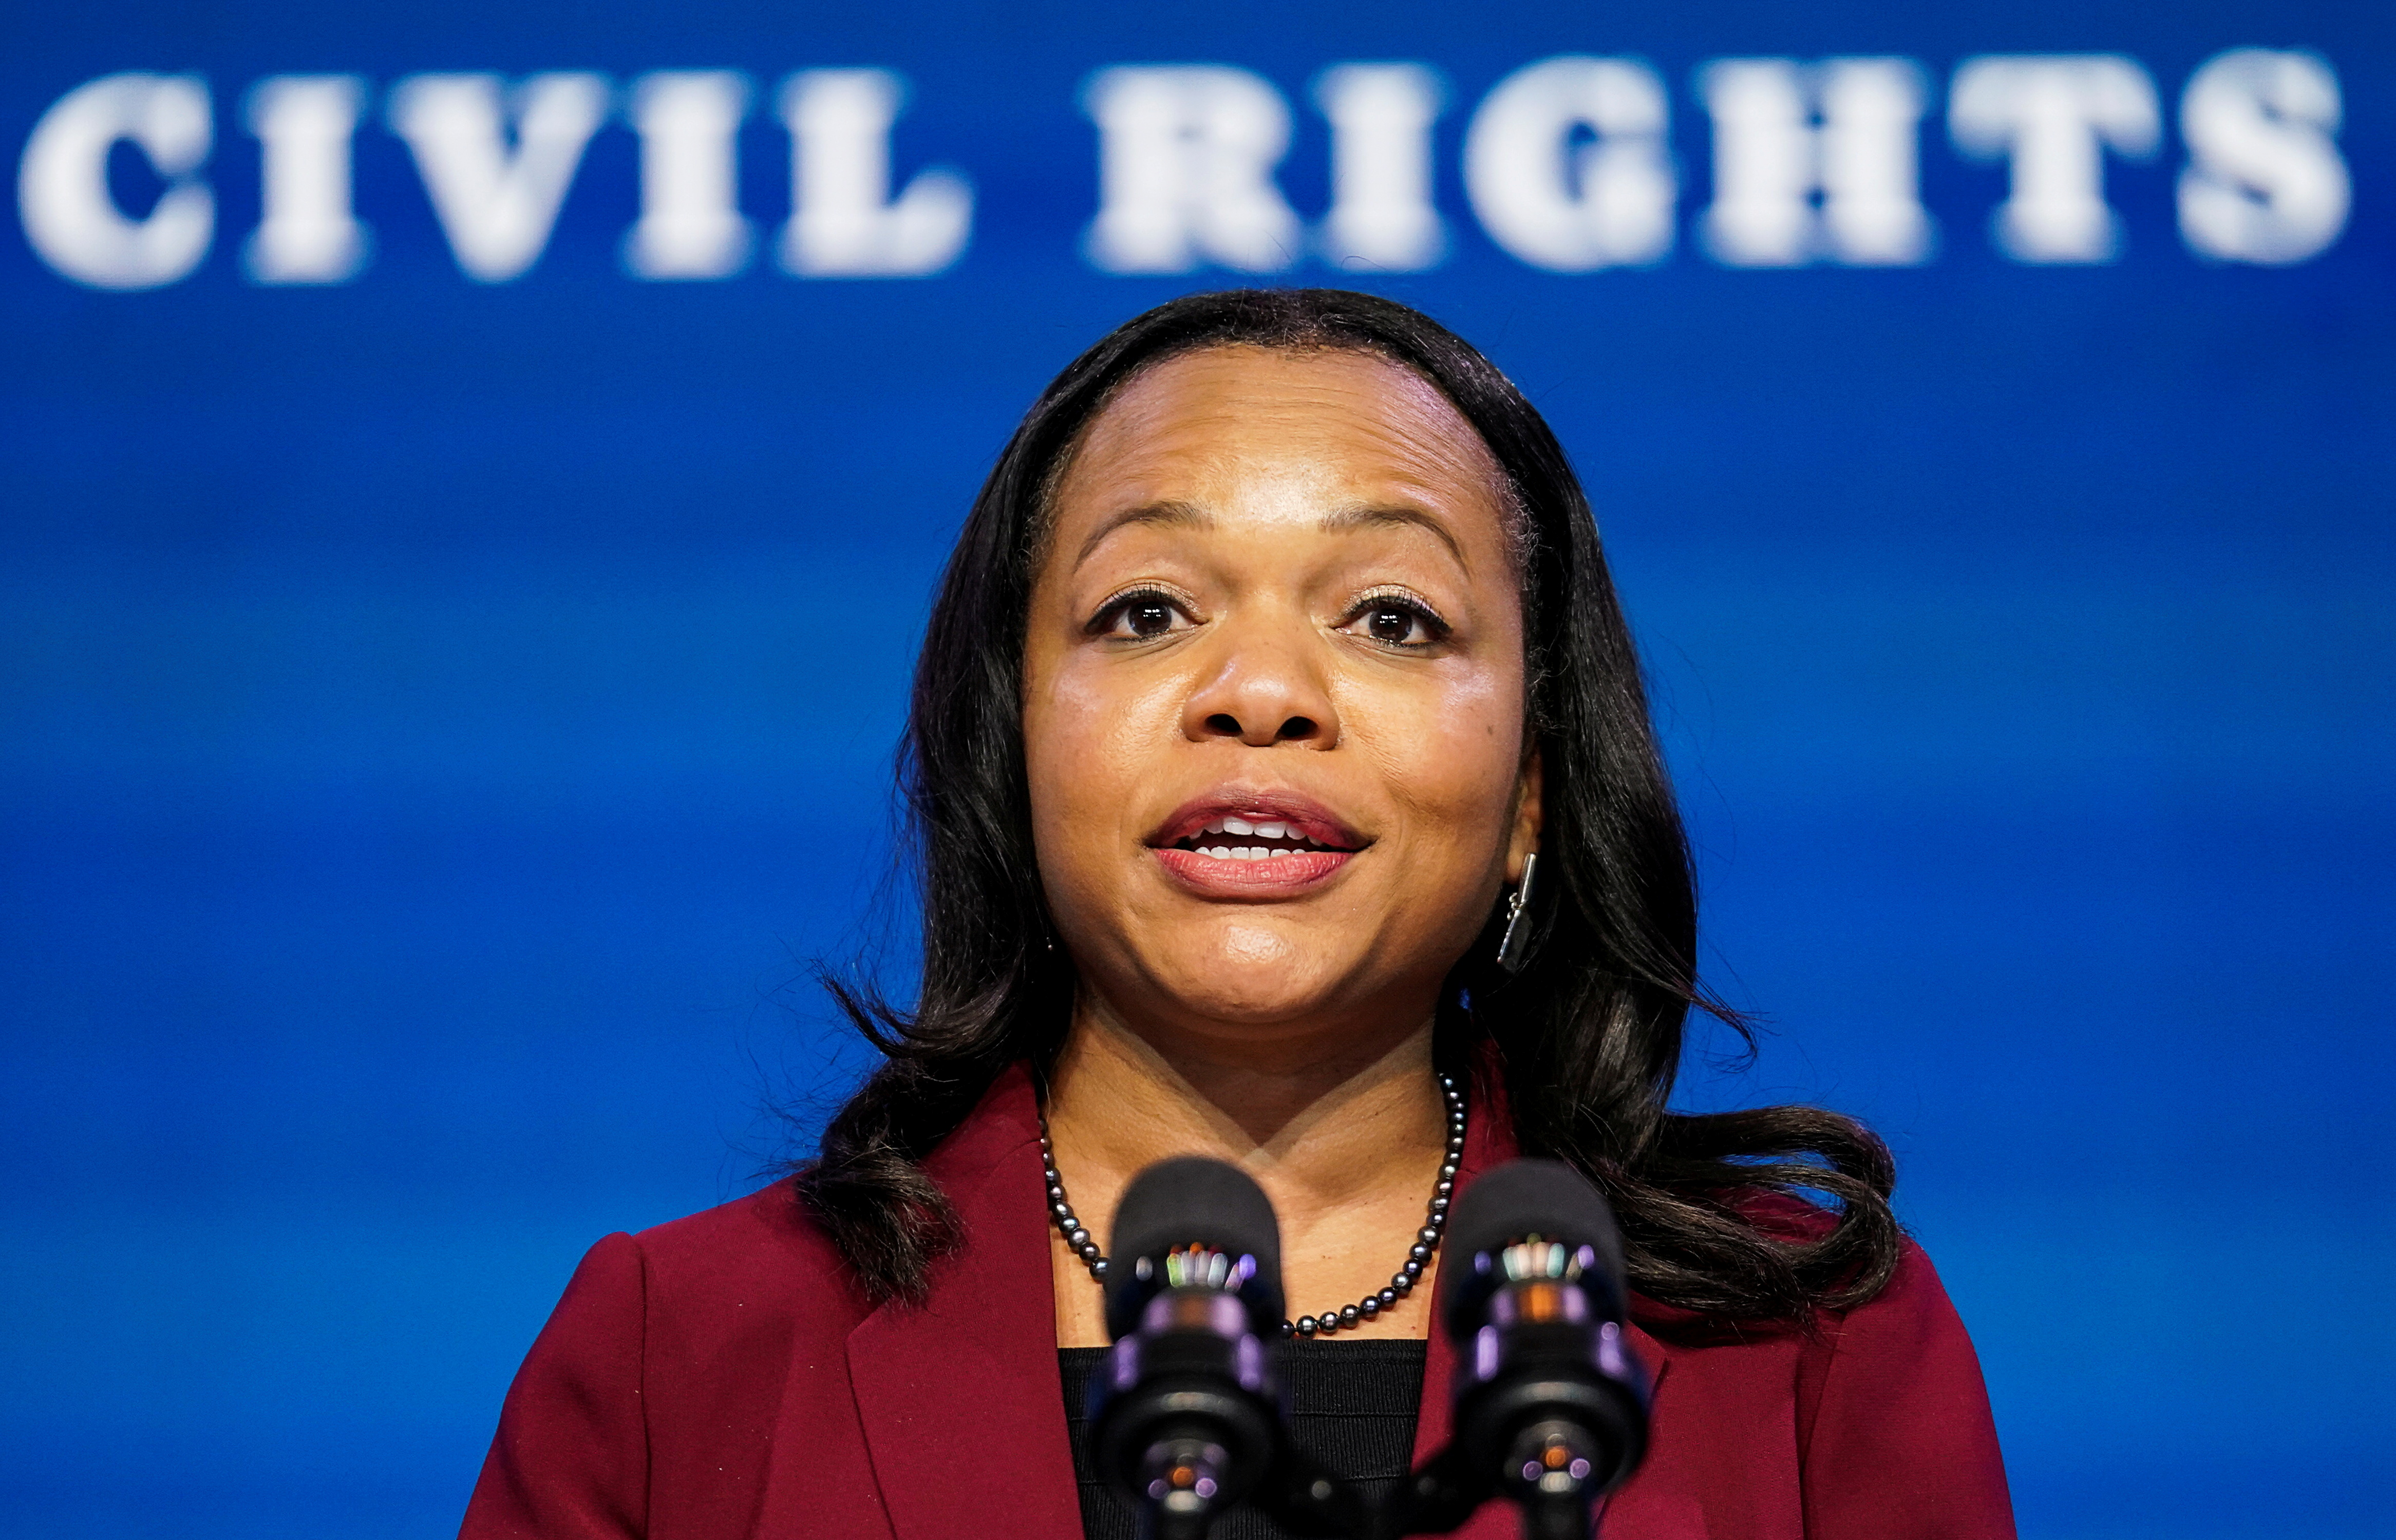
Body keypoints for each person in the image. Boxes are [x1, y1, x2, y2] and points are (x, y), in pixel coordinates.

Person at [458, 289, 2014, 1540]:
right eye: (1148, 611)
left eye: (1391, 617)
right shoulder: (683, 1352)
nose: (1261, 693)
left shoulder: (1809, 1345)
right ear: (1012, 746)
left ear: (1533, 788)